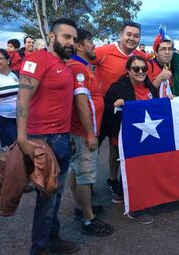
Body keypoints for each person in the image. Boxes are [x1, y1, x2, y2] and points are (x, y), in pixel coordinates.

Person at [17, 18, 79, 254]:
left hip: (61, 138)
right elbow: (22, 99)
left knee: (56, 193)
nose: (71, 42)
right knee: (46, 199)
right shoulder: (37, 60)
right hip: (43, 141)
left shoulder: (63, 64)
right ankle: (40, 249)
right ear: (52, 37)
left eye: (73, 38)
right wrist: (23, 139)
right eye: (66, 37)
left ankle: (53, 239)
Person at [67, 29, 114, 236]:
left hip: (79, 131)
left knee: (76, 170)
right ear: (80, 46)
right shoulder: (78, 67)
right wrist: (90, 133)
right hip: (82, 131)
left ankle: (82, 208)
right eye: (90, 41)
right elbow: (81, 104)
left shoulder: (83, 66)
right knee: (84, 175)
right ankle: (88, 220)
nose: (94, 45)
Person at [90, 20, 145, 195]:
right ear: (121, 35)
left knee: (116, 147)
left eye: (136, 36)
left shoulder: (139, 57)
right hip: (100, 110)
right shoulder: (104, 51)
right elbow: (82, 58)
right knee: (92, 148)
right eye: (128, 34)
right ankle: (86, 185)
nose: (132, 38)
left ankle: (112, 180)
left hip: (121, 112)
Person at [104, 55, 159, 224]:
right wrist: (116, 104)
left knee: (138, 168)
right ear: (128, 71)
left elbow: (156, 108)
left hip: (146, 136)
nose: (141, 71)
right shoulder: (117, 88)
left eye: (143, 68)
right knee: (134, 169)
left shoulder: (150, 88)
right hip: (125, 136)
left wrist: (166, 102)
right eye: (136, 68)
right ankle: (135, 209)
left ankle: (121, 194)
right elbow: (106, 108)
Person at [147, 28, 173, 97]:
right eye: (163, 49)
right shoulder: (148, 66)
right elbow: (146, 93)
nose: (167, 52)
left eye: (170, 49)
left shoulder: (170, 67)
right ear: (156, 52)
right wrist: (160, 77)